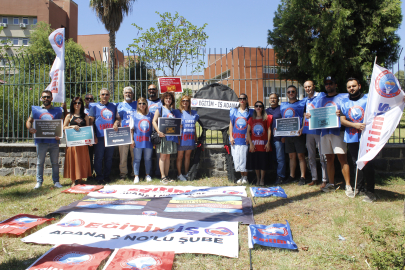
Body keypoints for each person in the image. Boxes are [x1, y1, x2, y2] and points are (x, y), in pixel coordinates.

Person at [307, 76, 352, 196]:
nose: (328, 85)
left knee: (342, 159)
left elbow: (349, 110)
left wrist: (341, 113)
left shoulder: (343, 97)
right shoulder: (321, 99)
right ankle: (331, 184)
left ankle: (348, 186)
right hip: (324, 132)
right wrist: (310, 116)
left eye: (330, 83)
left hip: (338, 132)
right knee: (329, 159)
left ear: (335, 84)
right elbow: (316, 113)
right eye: (326, 83)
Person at [340, 77, 376, 202]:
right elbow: (342, 120)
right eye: (349, 87)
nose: (351, 88)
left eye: (354, 86)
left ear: (359, 86)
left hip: (367, 137)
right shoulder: (344, 102)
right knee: (356, 163)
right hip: (351, 137)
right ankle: (359, 188)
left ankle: (370, 191)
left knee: (367, 162)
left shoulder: (368, 99)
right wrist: (354, 125)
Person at [25, 90, 66, 189]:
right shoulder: (36, 110)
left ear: (52, 99)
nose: (46, 99)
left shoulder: (58, 110)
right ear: (41, 98)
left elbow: (63, 123)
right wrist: (30, 128)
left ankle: (56, 181)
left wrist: (60, 135)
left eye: (48, 97)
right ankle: (39, 182)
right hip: (41, 141)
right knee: (40, 162)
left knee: (55, 163)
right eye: (44, 97)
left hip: (54, 141)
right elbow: (29, 121)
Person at [89, 88, 120, 184]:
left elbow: (118, 118)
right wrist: (93, 135)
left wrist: (116, 123)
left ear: (109, 96)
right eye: (103, 94)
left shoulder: (113, 106)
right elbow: (90, 122)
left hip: (110, 136)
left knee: (109, 158)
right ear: (99, 96)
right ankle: (99, 176)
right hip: (99, 136)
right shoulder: (94, 107)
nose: (105, 96)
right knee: (98, 157)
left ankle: (107, 176)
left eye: (106, 94)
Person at [302, 80, 328, 186]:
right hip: (308, 130)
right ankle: (314, 178)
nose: (308, 88)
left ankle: (325, 179)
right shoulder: (305, 100)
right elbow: (304, 114)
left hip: (319, 130)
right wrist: (302, 127)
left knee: (322, 155)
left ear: (314, 86)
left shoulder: (321, 96)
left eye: (309, 86)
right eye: (306, 87)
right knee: (311, 155)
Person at [280, 85, 306, 185]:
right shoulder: (283, 105)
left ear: (296, 92)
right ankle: (292, 176)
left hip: (298, 133)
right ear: (287, 94)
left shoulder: (301, 103)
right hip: (287, 135)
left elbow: (304, 117)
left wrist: (302, 128)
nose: (291, 93)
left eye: (293, 91)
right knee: (291, 156)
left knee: (301, 155)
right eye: (289, 92)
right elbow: (282, 120)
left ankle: (303, 177)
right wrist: (280, 132)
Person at [63, 97, 92, 186]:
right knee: (73, 160)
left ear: (81, 104)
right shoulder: (69, 116)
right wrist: (72, 127)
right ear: (72, 104)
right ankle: (73, 181)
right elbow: (64, 127)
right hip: (72, 143)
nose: (77, 105)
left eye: (79, 103)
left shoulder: (85, 116)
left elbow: (88, 129)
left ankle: (80, 180)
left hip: (82, 144)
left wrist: (90, 140)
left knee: (81, 160)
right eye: (75, 103)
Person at [152, 91, 179, 184]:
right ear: (163, 99)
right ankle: (162, 176)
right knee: (163, 156)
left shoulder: (172, 110)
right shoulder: (160, 109)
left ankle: (167, 176)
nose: (168, 100)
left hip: (171, 137)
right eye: (166, 98)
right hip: (163, 137)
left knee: (168, 156)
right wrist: (158, 131)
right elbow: (154, 121)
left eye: (170, 98)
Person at [246, 100, 272, 186]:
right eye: (256, 106)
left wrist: (268, 143)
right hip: (255, 145)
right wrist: (251, 144)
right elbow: (248, 132)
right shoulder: (251, 119)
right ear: (254, 108)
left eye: (260, 106)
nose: (258, 107)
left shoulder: (266, 118)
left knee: (263, 163)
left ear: (263, 108)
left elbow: (269, 130)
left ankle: (262, 179)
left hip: (263, 145)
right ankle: (257, 179)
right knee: (256, 164)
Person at [229, 93, 252, 184]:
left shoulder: (250, 112)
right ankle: (241, 176)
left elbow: (251, 125)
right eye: (240, 98)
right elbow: (231, 124)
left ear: (246, 100)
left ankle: (245, 177)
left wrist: (249, 137)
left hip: (244, 139)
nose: (242, 100)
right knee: (237, 158)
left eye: (243, 98)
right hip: (235, 138)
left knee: (244, 157)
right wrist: (231, 136)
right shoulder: (233, 111)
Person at [130, 97, 153, 183]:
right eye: (140, 103)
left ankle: (148, 175)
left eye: (143, 103)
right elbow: (131, 129)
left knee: (148, 159)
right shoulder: (133, 114)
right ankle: (136, 176)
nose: (142, 105)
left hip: (148, 140)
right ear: (137, 105)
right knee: (137, 159)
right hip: (137, 140)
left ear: (146, 105)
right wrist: (131, 140)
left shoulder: (150, 115)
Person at [176, 95, 199, 181]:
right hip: (181, 138)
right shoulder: (178, 112)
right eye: (183, 101)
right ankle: (179, 174)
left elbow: (194, 126)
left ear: (189, 102)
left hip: (190, 138)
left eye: (187, 101)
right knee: (180, 156)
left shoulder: (193, 113)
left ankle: (186, 173)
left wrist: (195, 137)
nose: (185, 102)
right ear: (181, 102)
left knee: (188, 156)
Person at [266, 93, 286, 184]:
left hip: (278, 138)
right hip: (268, 140)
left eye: (274, 98)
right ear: (269, 100)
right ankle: (273, 176)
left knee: (280, 158)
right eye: (271, 98)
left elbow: (285, 122)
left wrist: (283, 136)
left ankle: (280, 176)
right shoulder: (266, 111)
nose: (272, 99)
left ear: (278, 99)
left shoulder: (281, 109)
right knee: (272, 158)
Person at [117, 86, 137, 179]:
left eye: (130, 93)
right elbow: (118, 118)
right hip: (124, 132)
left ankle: (134, 173)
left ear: (133, 94)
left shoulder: (137, 104)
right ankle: (123, 174)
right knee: (123, 156)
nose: (128, 94)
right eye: (126, 93)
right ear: (123, 94)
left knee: (134, 155)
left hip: (136, 132)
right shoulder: (119, 105)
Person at [147, 84, 162, 178]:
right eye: (150, 89)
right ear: (148, 91)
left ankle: (158, 172)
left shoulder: (161, 101)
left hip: (158, 130)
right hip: (146, 130)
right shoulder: (145, 102)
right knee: (147, 154)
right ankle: (147, 173)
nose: (152, 90)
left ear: (157, 91)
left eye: (153, 89)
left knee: (158, 153)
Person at [84, 93, 95, 180]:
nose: (89, 100)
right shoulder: (82, 109)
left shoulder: (95, 108)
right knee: (88, 156)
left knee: (98, 156)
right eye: (87, 99)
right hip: (86, 135)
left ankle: (97, 173)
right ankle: (89, 174)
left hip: (96, 134)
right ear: (84, 100)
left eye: (91, 99)